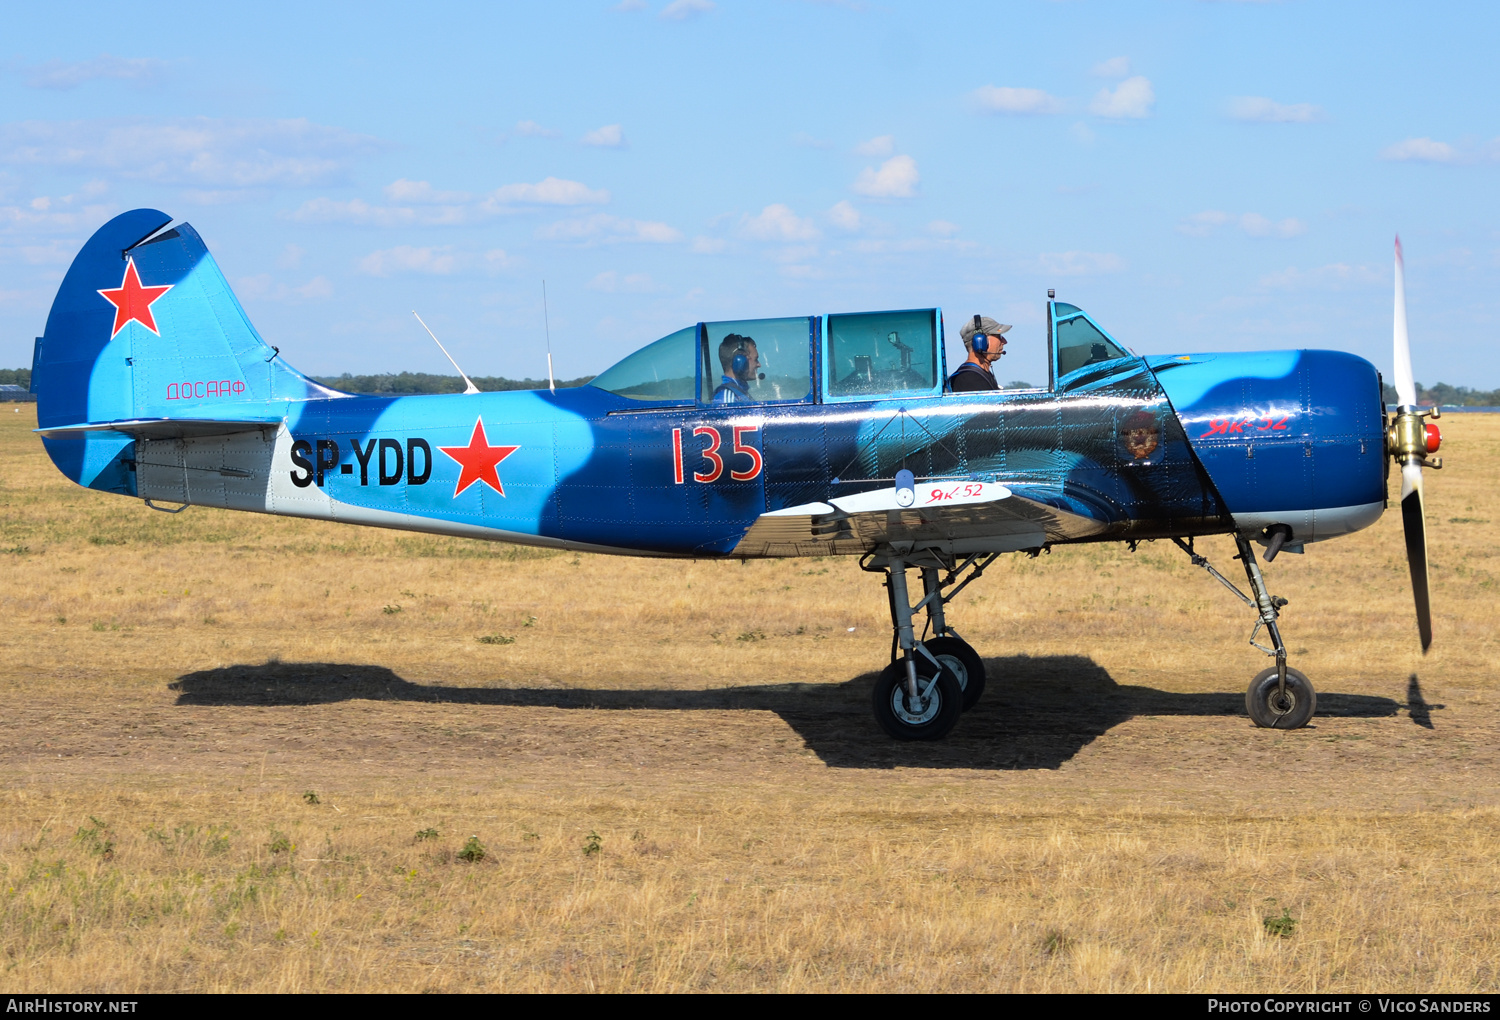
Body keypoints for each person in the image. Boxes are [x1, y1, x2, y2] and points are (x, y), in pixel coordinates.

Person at [948, 315, 1012, 392]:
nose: (1004, 342)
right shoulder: (969, 379)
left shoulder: (980, 375)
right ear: (980, 341)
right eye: (999, 336)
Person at [712, 334, 760, 403]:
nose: (759, 364)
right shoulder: (728, 397)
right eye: (756, 359)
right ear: (740, 360)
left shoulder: (740, 393)